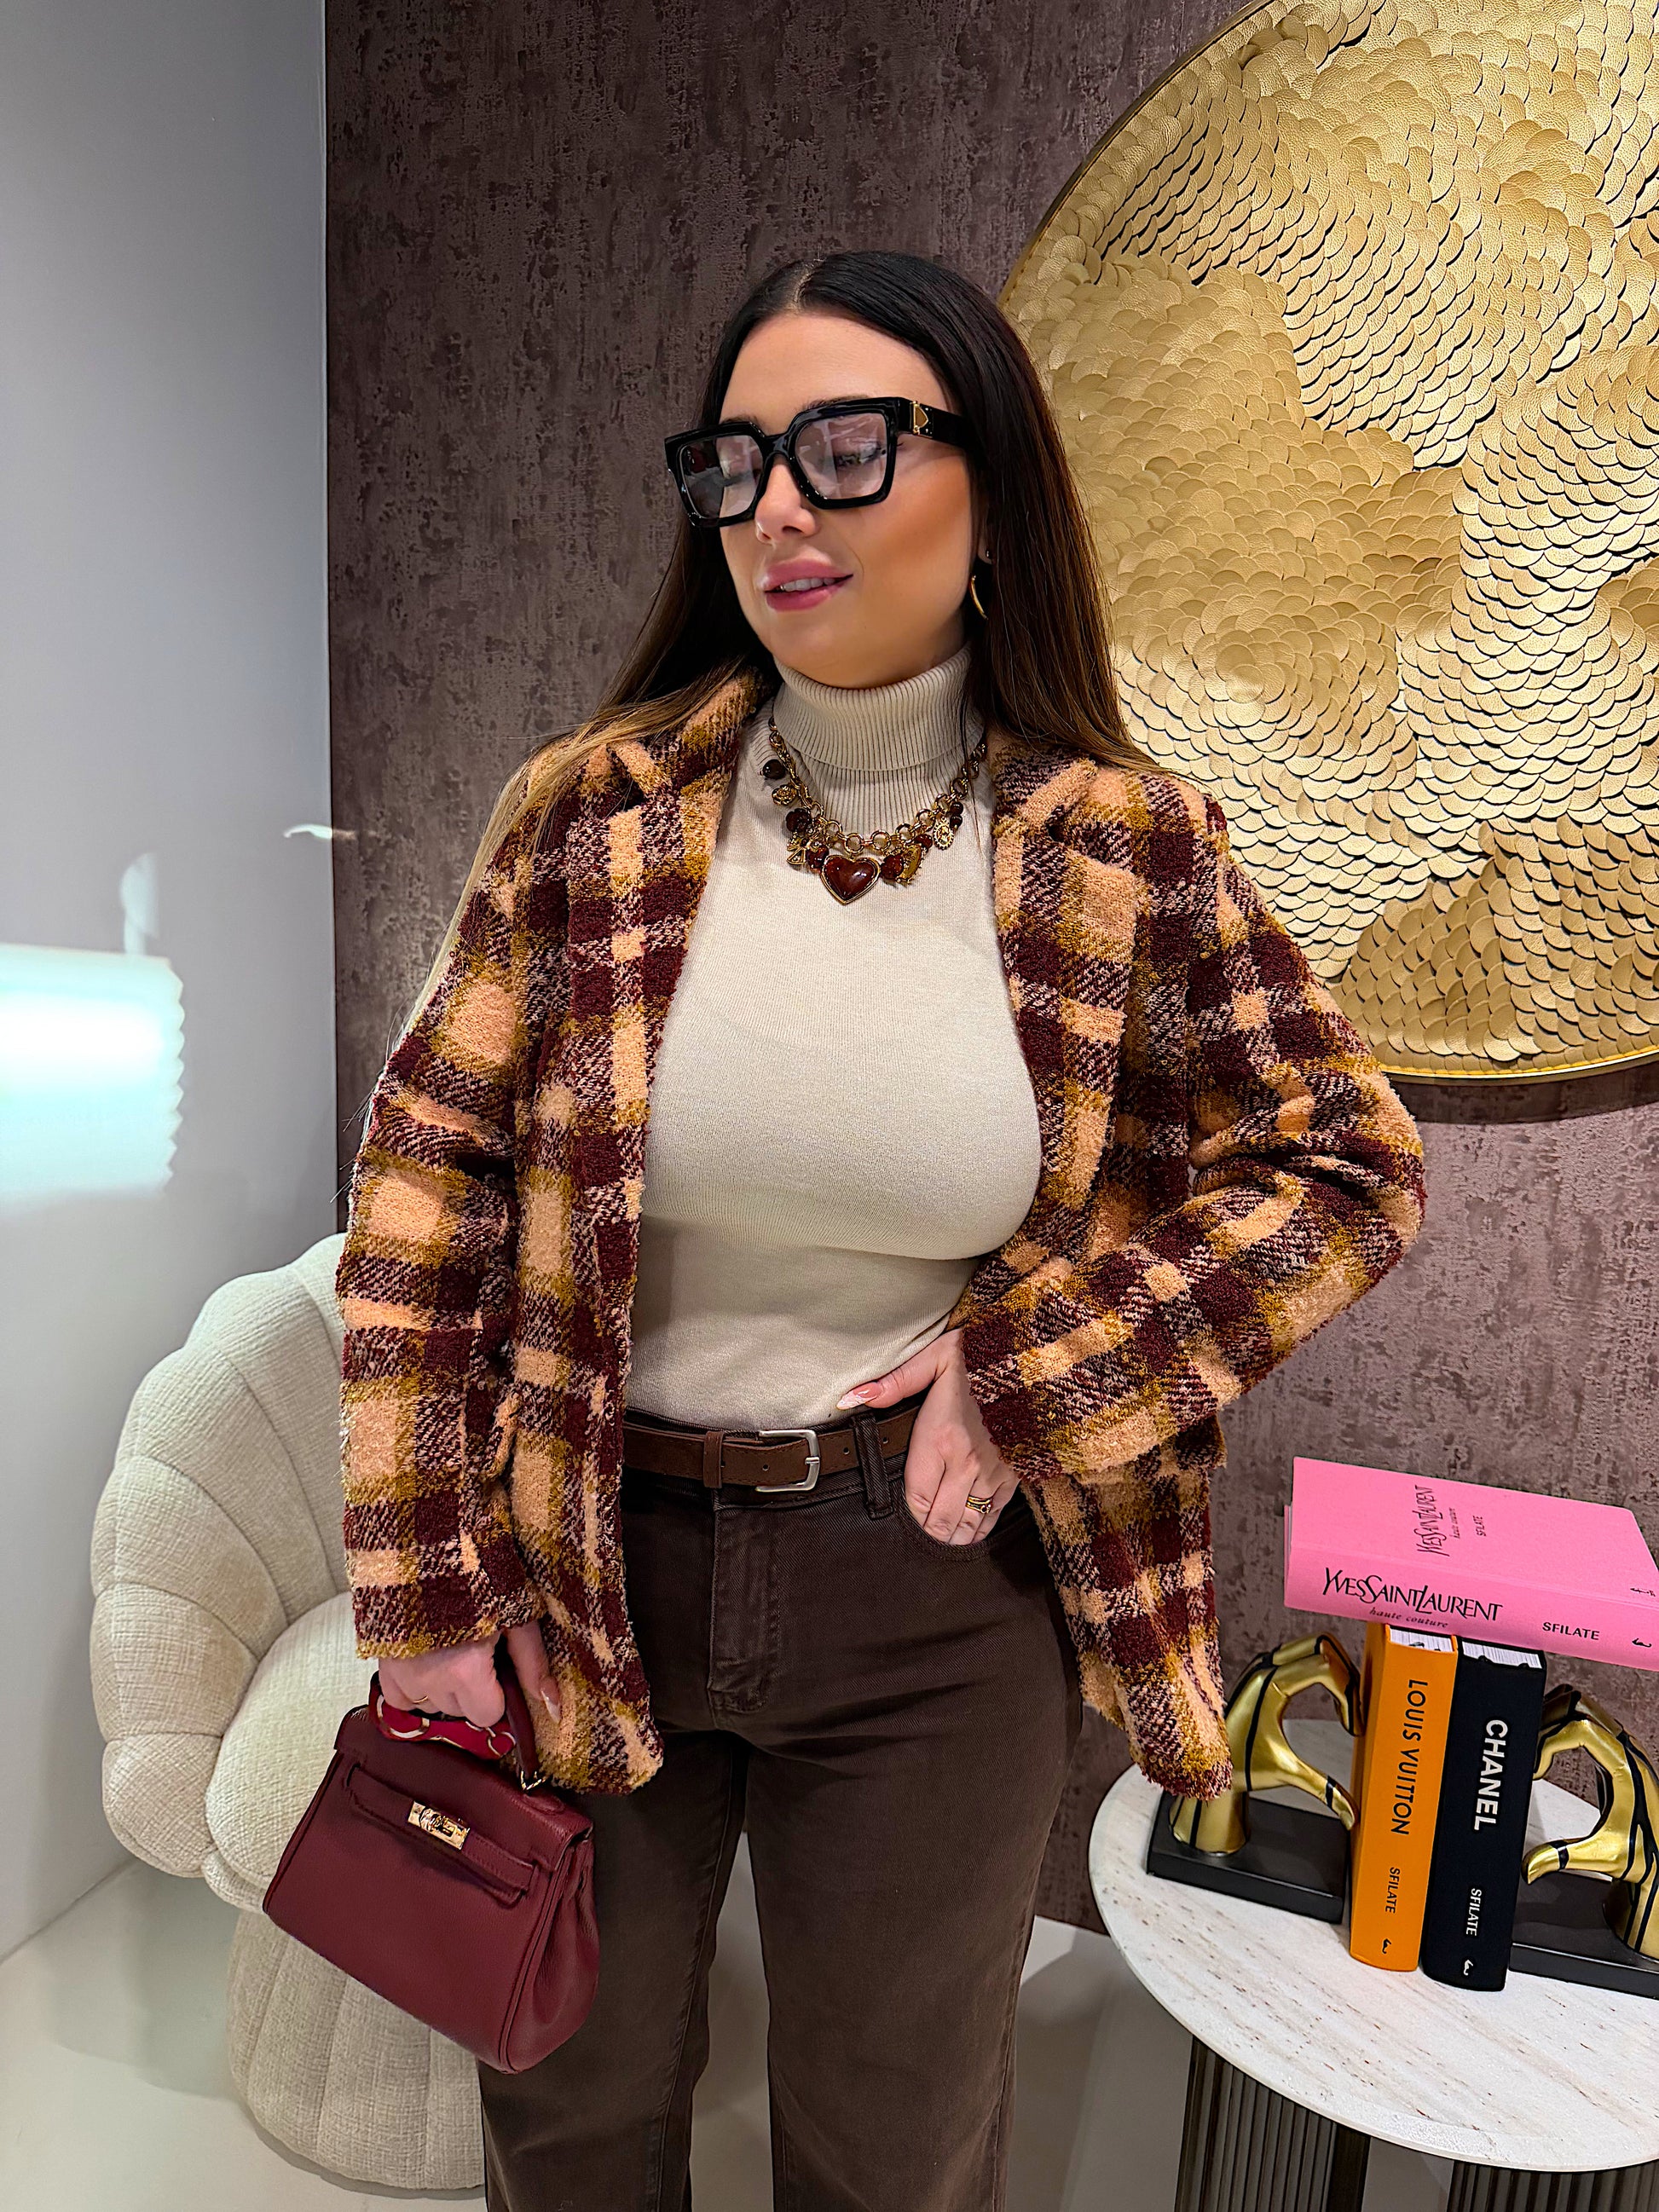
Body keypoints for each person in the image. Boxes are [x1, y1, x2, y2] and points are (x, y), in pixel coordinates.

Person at [335, 248, 1426, 2212]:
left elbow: (1344, 1162)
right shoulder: (587, 816)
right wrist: (425, 1590)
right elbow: (425, 1198)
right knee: (567, 2118)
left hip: (930, 1589)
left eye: (844, 447)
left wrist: (1033, 1373)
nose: (776, 506)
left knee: (893, 2150)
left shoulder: (1120, 845)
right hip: (592, 1541)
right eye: (735, 459)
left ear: (990, 491)